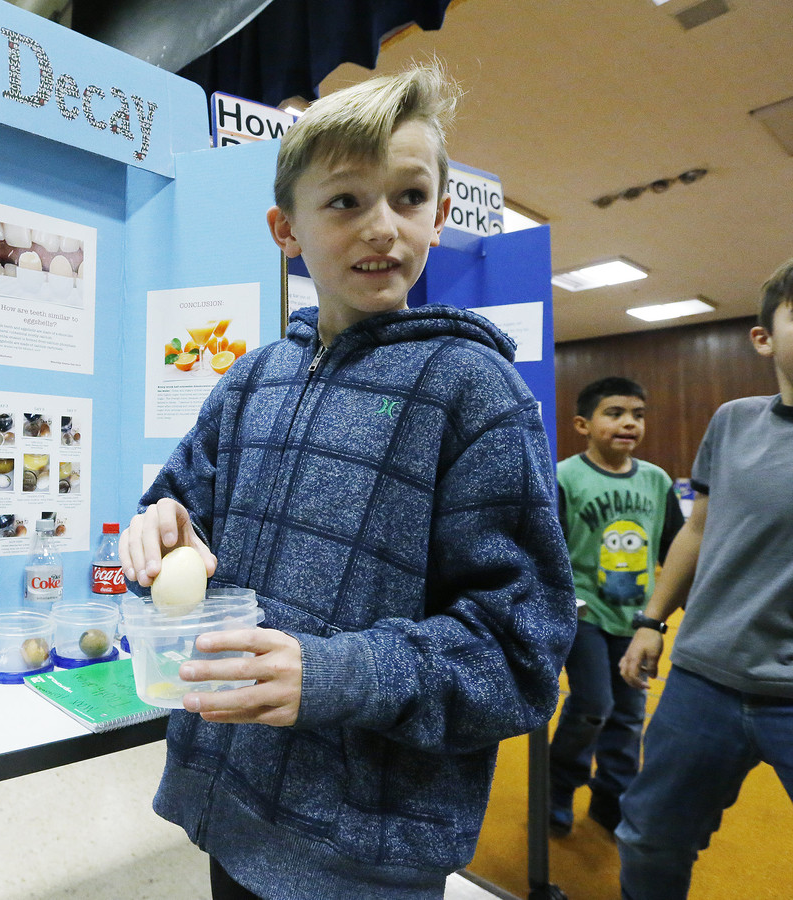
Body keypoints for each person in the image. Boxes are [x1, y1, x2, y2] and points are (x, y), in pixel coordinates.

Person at [119, 63, 576, 900]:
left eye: (408, 198)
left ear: (440, 216)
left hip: (363, 851)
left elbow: (520, 654)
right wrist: (157, 528)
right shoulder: (253, 378)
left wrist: (337, 674)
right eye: (344, 201)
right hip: (230, 807)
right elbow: (178, 510)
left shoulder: (474, 393)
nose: (382, 228)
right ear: (285, 229)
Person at [615, 257, 793, 899]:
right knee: (651, 840)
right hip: (703, 680)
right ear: (763, 338)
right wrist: (651, 620)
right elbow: (698, 528)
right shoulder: (734, 421)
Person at [547, 377, 684, 837]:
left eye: (638, 415)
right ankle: (558, 787)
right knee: (593, 705)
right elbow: (547, 551)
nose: (629, 423)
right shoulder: (564, 477)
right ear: (582, 424)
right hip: (583, 614)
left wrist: (665, 615)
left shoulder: (656, 480)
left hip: (637, 619)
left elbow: (675, 549)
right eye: (615, 413)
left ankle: (612, 798)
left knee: (627, 714)